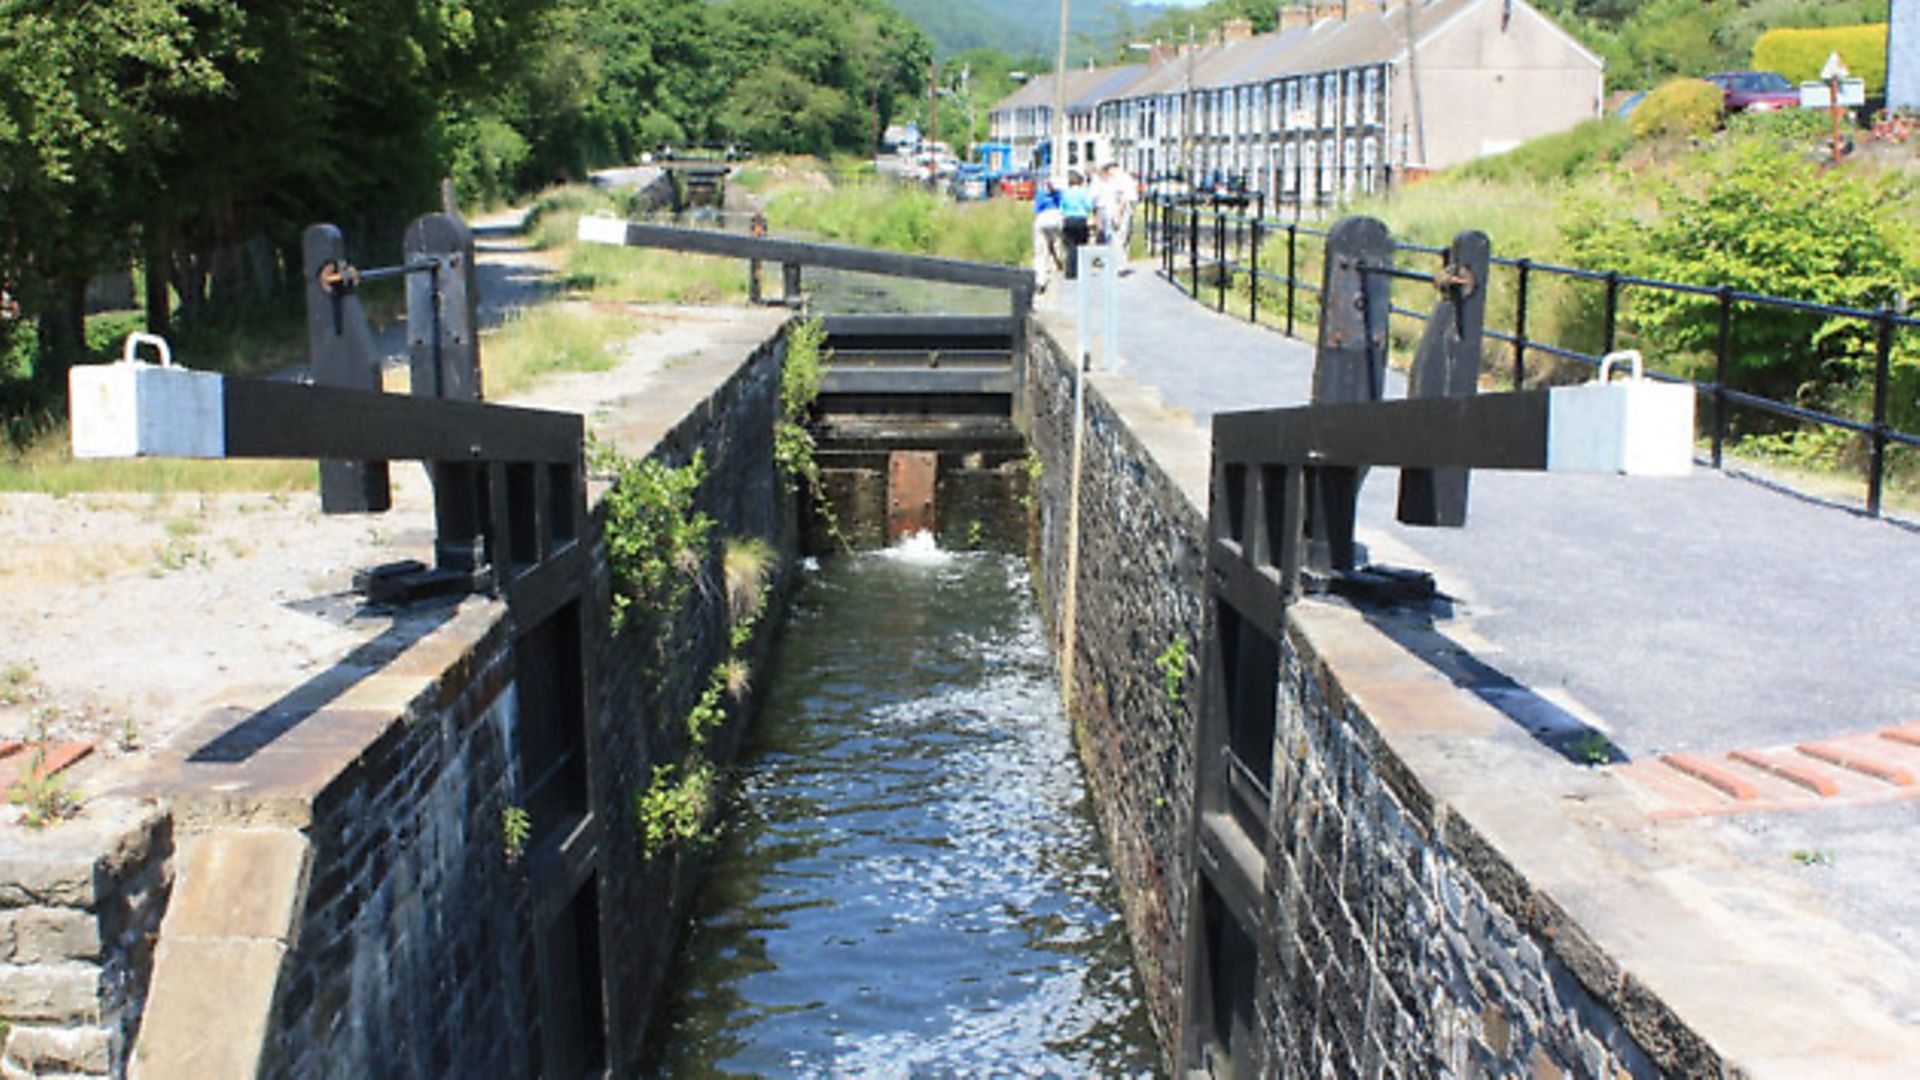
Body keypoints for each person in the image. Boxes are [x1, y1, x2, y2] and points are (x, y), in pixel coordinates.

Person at [1059, 170, 1095, 281]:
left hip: (1068, 219)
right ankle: (1080, 270)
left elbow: (1062, 207)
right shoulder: (1084, 192)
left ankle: (1069, 271)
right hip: (1080, 219)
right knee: (1081, 246)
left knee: (1070, 246)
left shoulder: (1065, 193)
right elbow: (1089, 206)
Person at [1031, 180, 1064, 292]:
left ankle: (1040, 278)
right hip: (1056, 220)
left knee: (1040, 252)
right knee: (1057, 244)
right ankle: (1056, 266)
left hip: (1042, 220)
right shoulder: (1060, 195)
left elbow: (1036, 211)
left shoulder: (1040, 195)